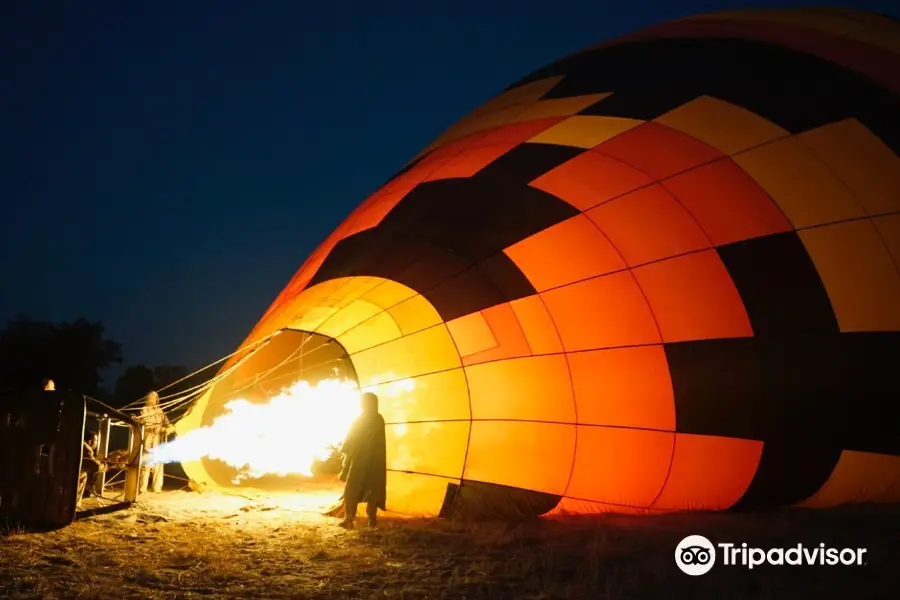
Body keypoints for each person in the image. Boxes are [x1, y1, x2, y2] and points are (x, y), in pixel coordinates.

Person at [337, 392, 386, 528]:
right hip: (374, 462)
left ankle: (350, 519)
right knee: (373, 490)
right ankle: (371, 520)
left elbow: (352, 441)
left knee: (352, 489)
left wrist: (346, 462)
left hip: (360, 461)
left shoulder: (361, 420)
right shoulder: (378, 419)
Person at [138, 390, 170, 493]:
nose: (153, 398)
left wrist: (168, 428)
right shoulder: (144, 410)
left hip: (158, 442)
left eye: (155, 397)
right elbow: (145, 423)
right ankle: (142, 488)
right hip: (148, 441)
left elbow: (166, 422)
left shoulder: (160, 411)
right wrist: (158, 428)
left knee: (158, 466)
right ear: (147, 398)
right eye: (151, 396)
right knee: (146, 465)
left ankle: (157, 487)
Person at [77, 430, 108, 507]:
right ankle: (74, 505)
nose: (97, 443)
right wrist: (107, 465)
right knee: (83, 476)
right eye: (96, 441)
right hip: (71, 478)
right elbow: (96, 467)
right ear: (90, 441)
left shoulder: (79, 445)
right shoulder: (86, 448)